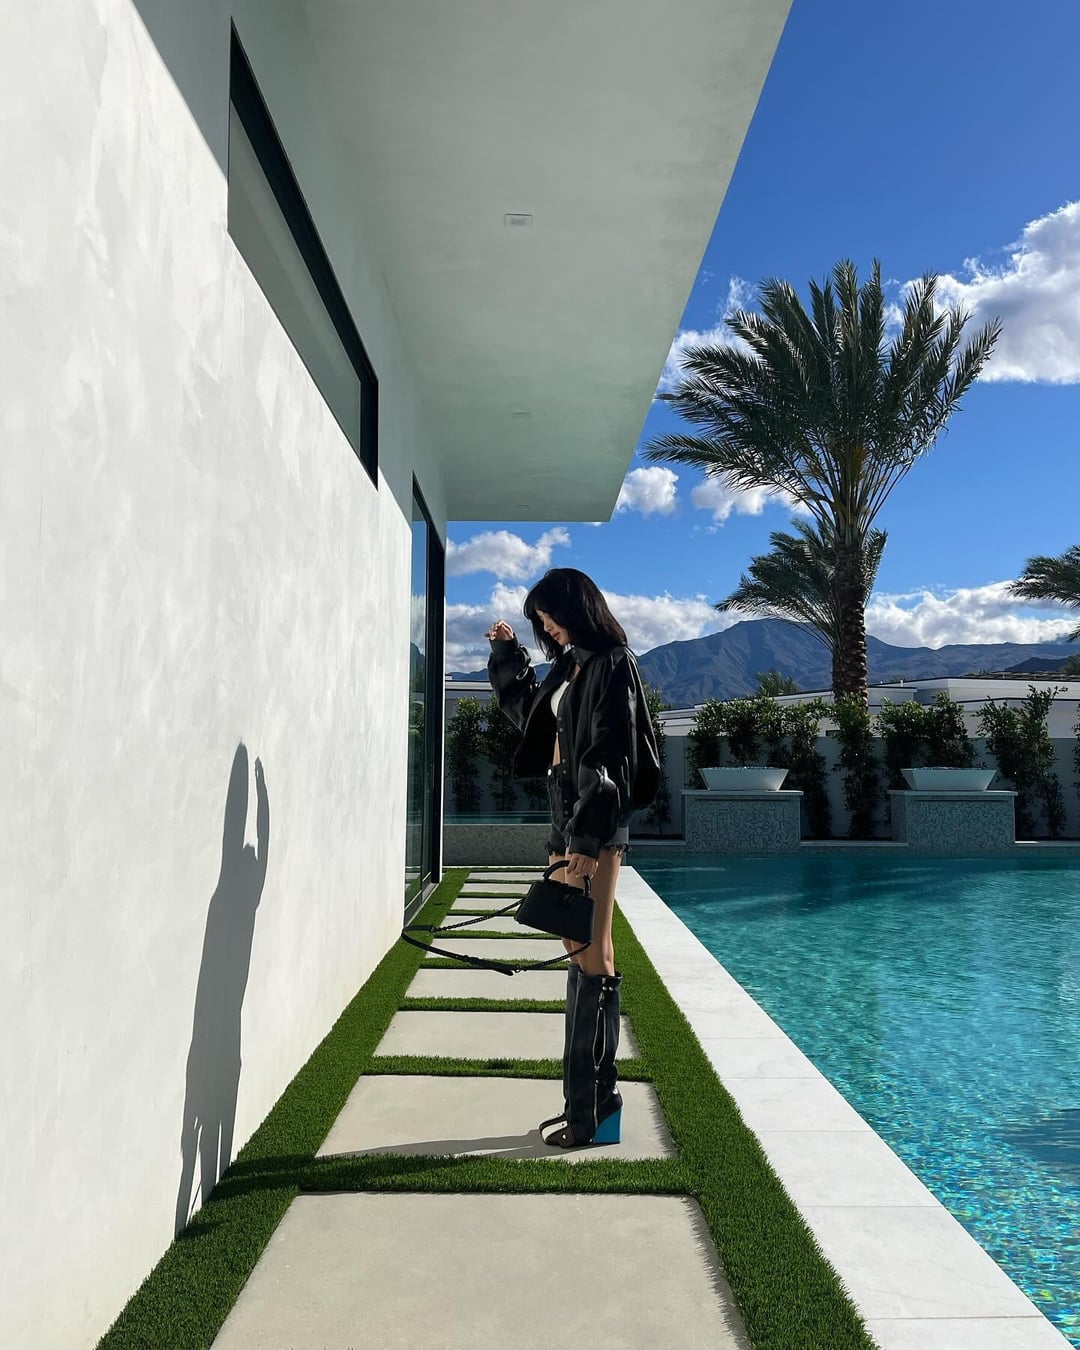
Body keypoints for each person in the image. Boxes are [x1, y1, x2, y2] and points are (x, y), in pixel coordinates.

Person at [485, 568, 659, 1148]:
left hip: (594, 818)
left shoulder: (612, 662)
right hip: (565, 812)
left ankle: (592, 1111)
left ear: (575, 607)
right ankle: (591, 1109)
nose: (547, 626)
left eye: (549, 615)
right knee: (577, 942)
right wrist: (507, 655)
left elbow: (612, 751)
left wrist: (586, 840)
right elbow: (528, 715)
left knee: (591, 948)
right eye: (539, 620)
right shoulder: (568, 666)